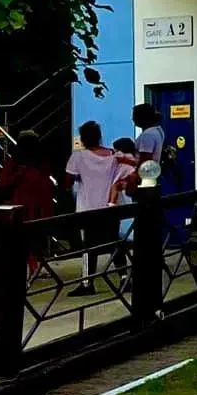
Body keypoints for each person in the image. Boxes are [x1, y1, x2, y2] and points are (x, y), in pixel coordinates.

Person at [62, 122, 132, 293]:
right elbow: (128, 172)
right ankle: (124, 278)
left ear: (84, 138)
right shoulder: (114, 155)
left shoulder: (78, 157)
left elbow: (67, 182)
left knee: (88, 247)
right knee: (114, 241)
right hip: (111, 206)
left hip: (88, 209)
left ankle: (87, 283)